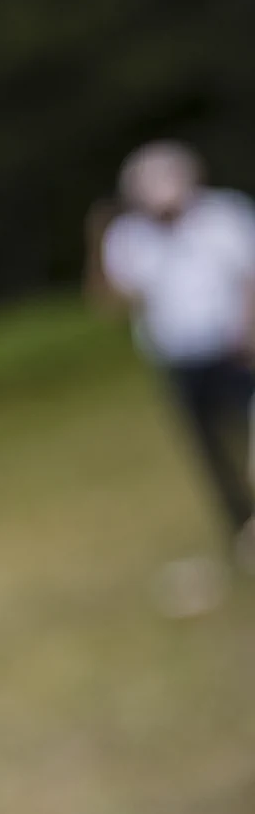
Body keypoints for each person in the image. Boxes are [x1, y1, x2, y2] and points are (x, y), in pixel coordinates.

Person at [99, 141, 255, 550]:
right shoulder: (128, 238)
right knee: (210, 449)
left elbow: (249, 277)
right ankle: (242, 527)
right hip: (179, 359)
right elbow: (112, 303)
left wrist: (248, 331)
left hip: (235, 350)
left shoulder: (224, 215)